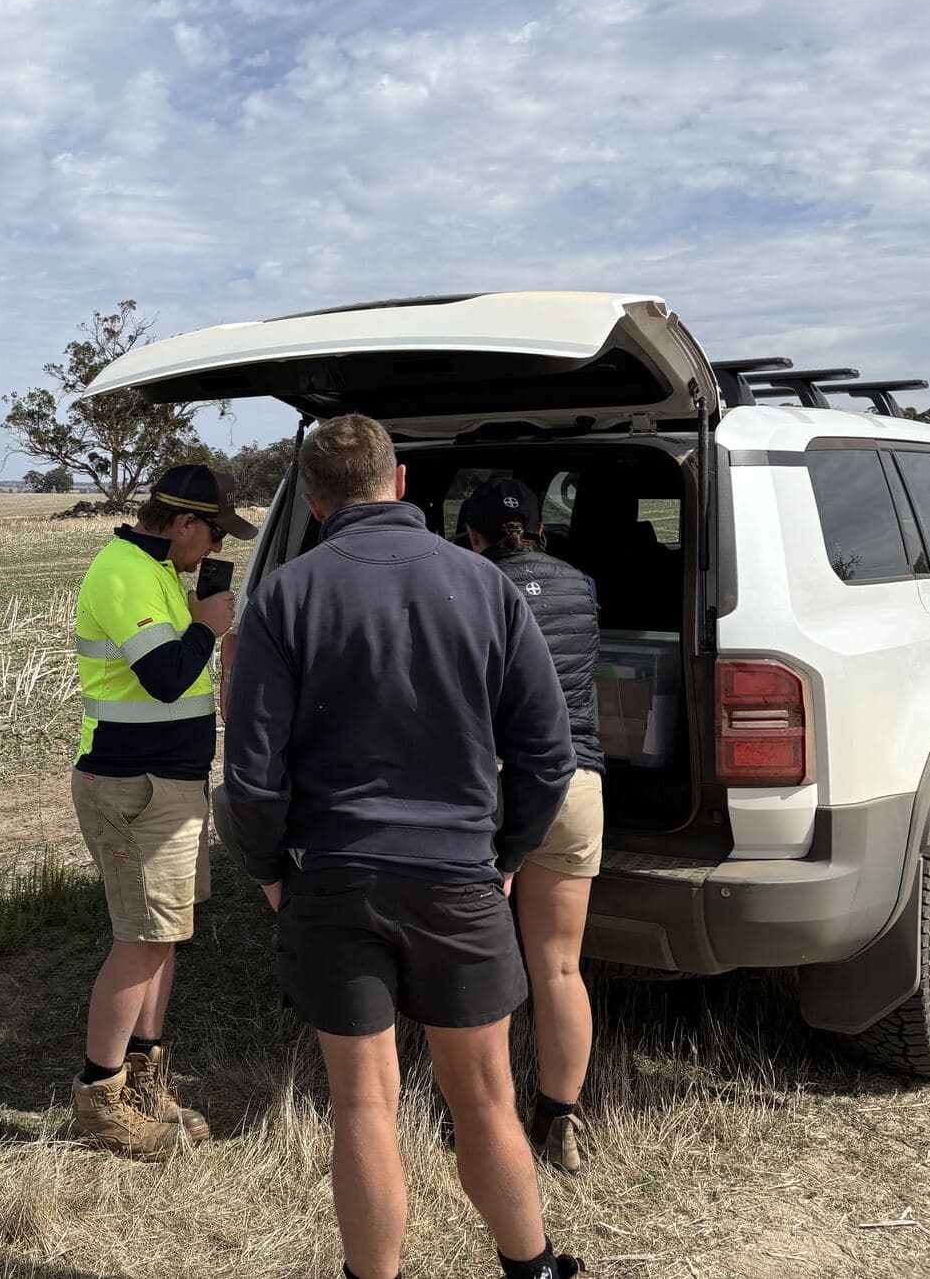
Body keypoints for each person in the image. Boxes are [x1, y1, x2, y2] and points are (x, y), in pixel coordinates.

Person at [222, 416, 582, 1279]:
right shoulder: (487, 588)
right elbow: (549, 754)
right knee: (488, 1097)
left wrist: (271, 870)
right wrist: (505, 853)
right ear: (403, 481)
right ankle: (530, 1271)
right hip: (458, 874)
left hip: (332, 877)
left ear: (311, 501)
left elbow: (252, 772)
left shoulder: (283, 596)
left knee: (362, 1105)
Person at [66, 463, 254, 1159]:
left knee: (163, 936)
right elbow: (168, 678)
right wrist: (208, 624)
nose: (211, 549)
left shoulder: (159, 572)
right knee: (140, 939)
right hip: (131, 786)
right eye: (210, 535)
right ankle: (100, 1099)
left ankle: (146, 1082)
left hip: (165, 784)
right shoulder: (123, 572)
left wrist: (198, 613)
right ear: (182, 523)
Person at [460, 479, 605, 1176]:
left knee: (479, 964)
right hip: (575, 785)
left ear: (472, 536)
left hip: (490, 786)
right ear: (542, 529)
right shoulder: (581, 586)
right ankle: (558, 1120)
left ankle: (483, 1121)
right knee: (560, 965)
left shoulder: (468, 587)